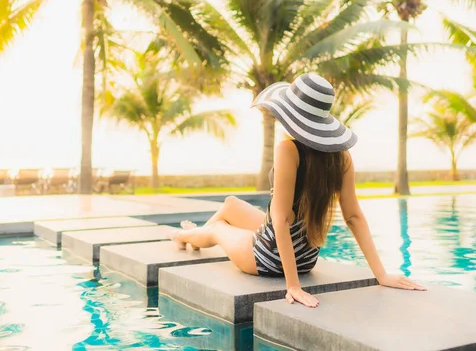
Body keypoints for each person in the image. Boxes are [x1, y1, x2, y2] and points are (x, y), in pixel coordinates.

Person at [170, 73, 426, 308]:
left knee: (217, 229)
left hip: (267, 258)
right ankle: (196, 234)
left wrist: (293, 286)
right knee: (231, 204)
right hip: (306, 258)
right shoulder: (342, 157)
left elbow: (281, 219)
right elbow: (354, 217)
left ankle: (184, 236)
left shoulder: (288, 150)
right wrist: (381, 274)